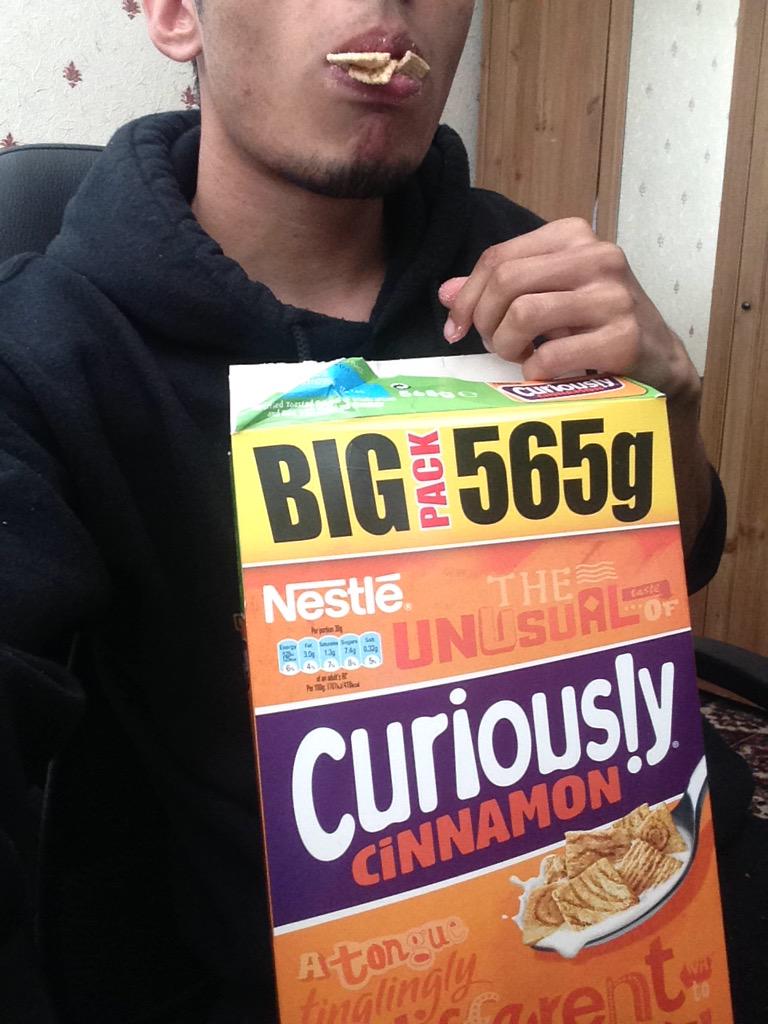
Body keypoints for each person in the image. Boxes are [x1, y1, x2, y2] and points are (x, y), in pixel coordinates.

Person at [0, 1, 755, 1022]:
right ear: (177, 14)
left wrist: (675, 406)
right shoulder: (43, 350)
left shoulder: (524, 268)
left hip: (647, 924)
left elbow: (683, 552)